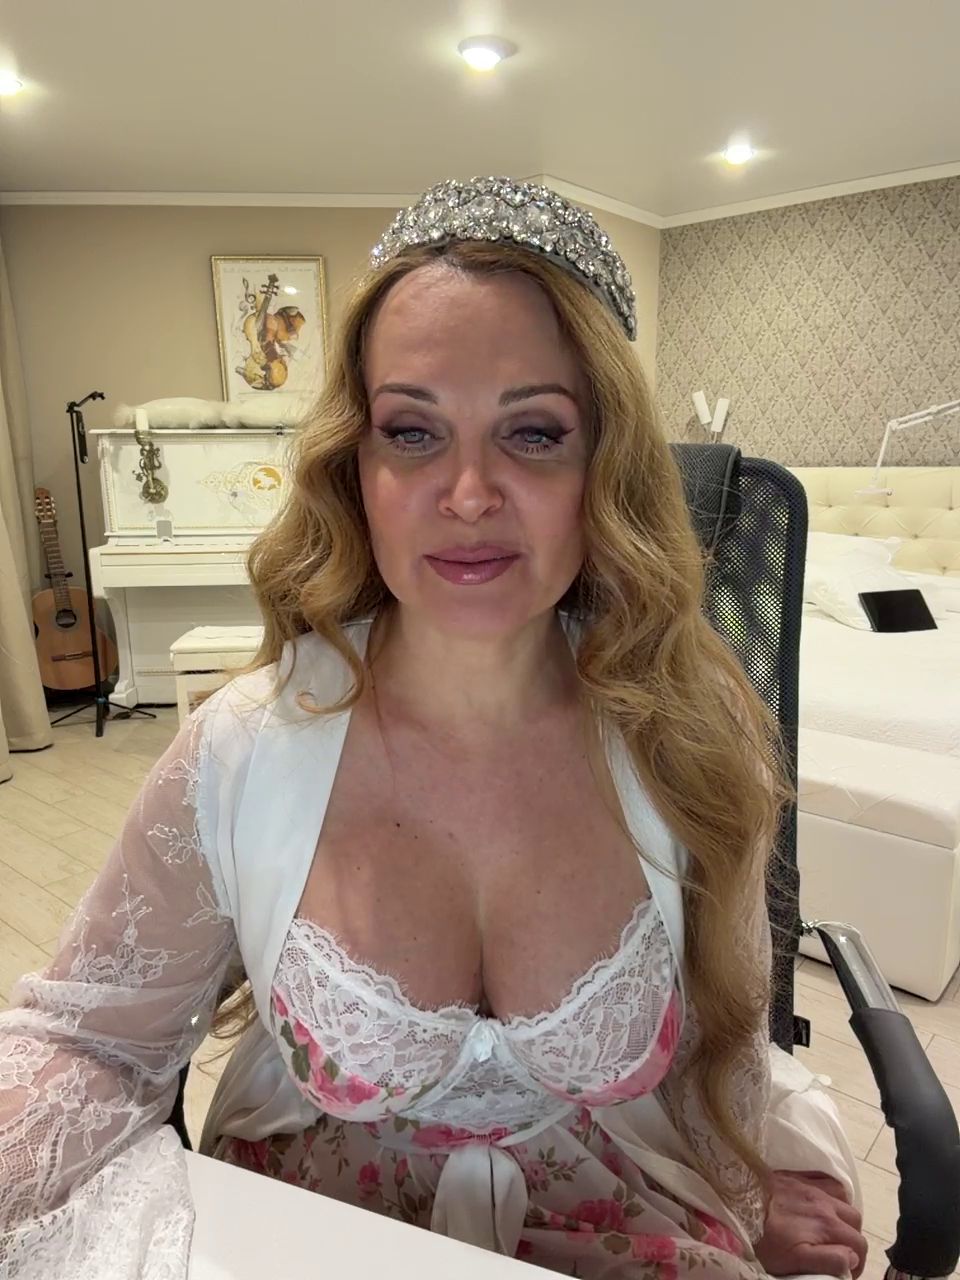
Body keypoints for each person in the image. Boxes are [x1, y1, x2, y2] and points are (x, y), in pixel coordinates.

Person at [0, 177, 866, 1280]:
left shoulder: (692, 736)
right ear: (356, 467)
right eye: (412, 431)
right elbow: (90, 1039)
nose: (466, 493)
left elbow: (729, 1040)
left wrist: (762, 1179)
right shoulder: (243, 749)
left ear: (605, 464)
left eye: (533, 433)